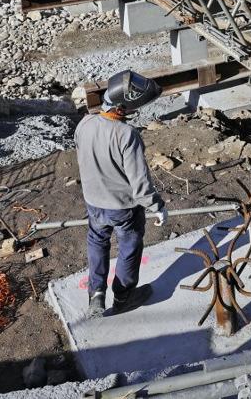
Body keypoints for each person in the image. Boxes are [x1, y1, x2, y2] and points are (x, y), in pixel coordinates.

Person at [76, 69, 165, 318]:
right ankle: (124, 296)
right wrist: (156, 206)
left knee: (97, 241)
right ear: (124, 107)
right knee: (129, 246)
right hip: (122, 208)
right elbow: (140, 183)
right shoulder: (127, 135)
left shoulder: (85, 123)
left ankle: (96, 294)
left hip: (93, 201)